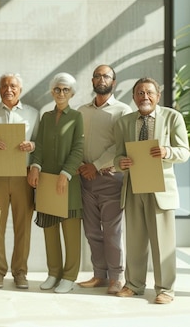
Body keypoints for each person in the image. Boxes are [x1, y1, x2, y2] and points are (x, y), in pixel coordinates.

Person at [114, 77, 190, 304]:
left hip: (161, 187)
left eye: (149, 93)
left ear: (157, 95)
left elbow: (184, 152)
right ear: (134, 97)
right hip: (133, 186)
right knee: (135, 241)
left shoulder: (171, 117)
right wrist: (121, 163)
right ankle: (134, 284)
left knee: (163, 242)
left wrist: (167, 151)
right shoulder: (124, 122)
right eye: (139, 93)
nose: (144, 97)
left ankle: (165, 288)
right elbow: (118, 156)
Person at [0, 73, 39, 289]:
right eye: (4, 85)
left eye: (13, 85)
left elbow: (39, 144)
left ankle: (20, 272)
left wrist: (32, 146)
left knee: (23, 226)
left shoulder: (33, 114)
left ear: (20, 89)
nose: (8, 89)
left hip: (23, 175)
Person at [76, 65, 132, 295]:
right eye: (97, 75)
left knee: (112, 231)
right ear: (92, 80)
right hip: (85, 179)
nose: (101, 79)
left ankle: (116, 277)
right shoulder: (82, 110)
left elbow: (120, 146)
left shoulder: (123, 110)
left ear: (114, 82)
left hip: (110, 178)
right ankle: (99, 274)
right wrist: (83, 166)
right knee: (91, 231)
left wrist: (96, 166)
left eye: (106, 76)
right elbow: (77, 142)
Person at [27, 72, 84, 294]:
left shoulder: (77, 117)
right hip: (46, 181)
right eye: (58, 89)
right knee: (49, 228)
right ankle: (54, 273)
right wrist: (35, 167)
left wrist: (66, 173)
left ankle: (69, 276)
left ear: (72, 93)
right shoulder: (46, 117)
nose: (61, 93)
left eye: (66, 90)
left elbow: (78, 149)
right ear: (52, 92)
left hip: (68, 182)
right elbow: (39, 146)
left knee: (70, 232)